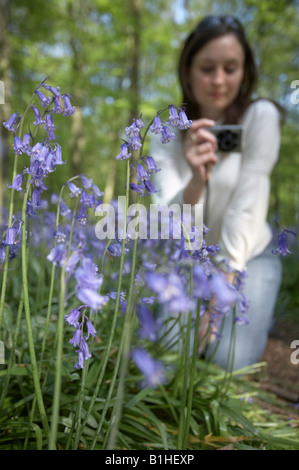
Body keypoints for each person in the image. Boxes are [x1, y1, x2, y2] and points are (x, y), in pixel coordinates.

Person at [150, 15, 284, 371]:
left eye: (231, 67)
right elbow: (166, 222)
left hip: (249, 257)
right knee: (171, 352)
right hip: (188, 259)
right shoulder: (165, 131)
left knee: (228, 360)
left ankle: (255, 310)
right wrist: (196, 180)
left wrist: (215, 307)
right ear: (187, 70)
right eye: (207, 67)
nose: (219, 80)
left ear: (245, 73)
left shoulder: (260, 117)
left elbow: (248, 204)